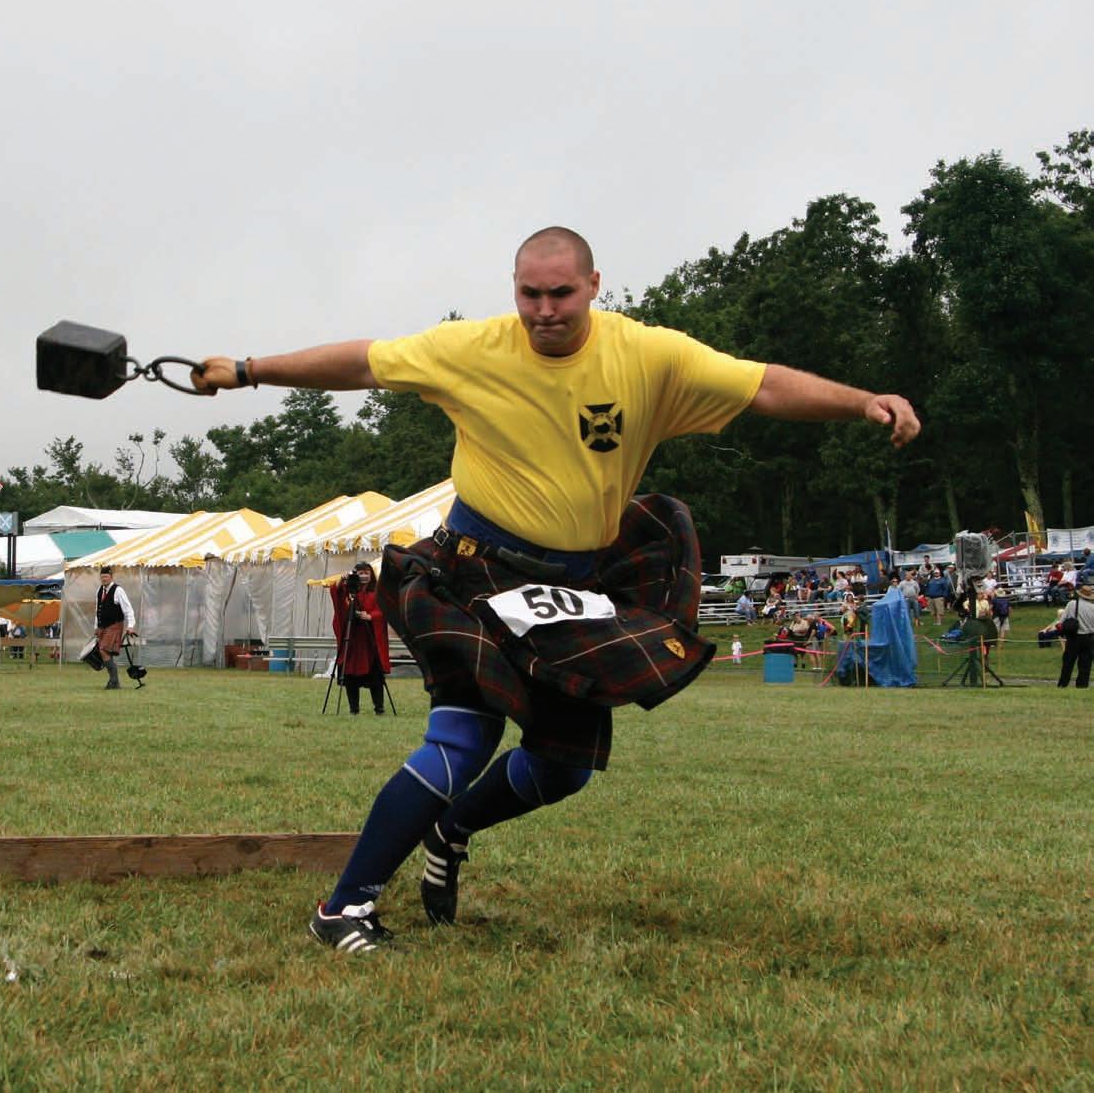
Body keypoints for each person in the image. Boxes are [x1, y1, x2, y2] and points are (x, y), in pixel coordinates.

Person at [192, 225, 920, 953]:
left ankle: (452, 829)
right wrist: (250, 369)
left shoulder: (647, 354)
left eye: (561, 293)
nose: (544, 310)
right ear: (513, 289)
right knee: (463, 738)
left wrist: (861, 402)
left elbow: (761, 384)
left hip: (574, 584)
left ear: (594, 285)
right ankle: (344, 906)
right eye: (529, 294)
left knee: (564, 767)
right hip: (474, 569)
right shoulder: (470, 349)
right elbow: (363, 361)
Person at [330, 562, 391, 714]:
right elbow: (337, 596)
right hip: (353, 640)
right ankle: (354, 709)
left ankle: (379, 707)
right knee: (350, 675)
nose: (364, 576)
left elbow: (384, 611)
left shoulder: (377, 592)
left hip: (370, 642)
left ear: (371, 575)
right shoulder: (350, 592)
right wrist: (342, 580)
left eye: (366, 573)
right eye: (360, 573)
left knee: (375, 676)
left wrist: (371, 616)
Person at [91, 567, 138, 690]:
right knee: (106, 652)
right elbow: (98, 610)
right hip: (103, 627)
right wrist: (96, 626)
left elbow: (128, 609)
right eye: (102, 577)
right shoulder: (99, 590)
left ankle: (114, 681)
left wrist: (131, 626)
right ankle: (114, 682)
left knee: (103, 650)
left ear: (111, 577)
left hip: (115, 625)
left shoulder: (118, 590)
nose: (104, 579)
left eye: (106, 577)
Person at [1056, 582, 1094, 690]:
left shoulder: (1072, 604)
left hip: (1074, 637)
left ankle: (1063, 684)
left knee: (1068, 663)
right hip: (1089, 638)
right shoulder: (1093, 608)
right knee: (1085, 664)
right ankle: (1082, 685)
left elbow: (1061, 621)